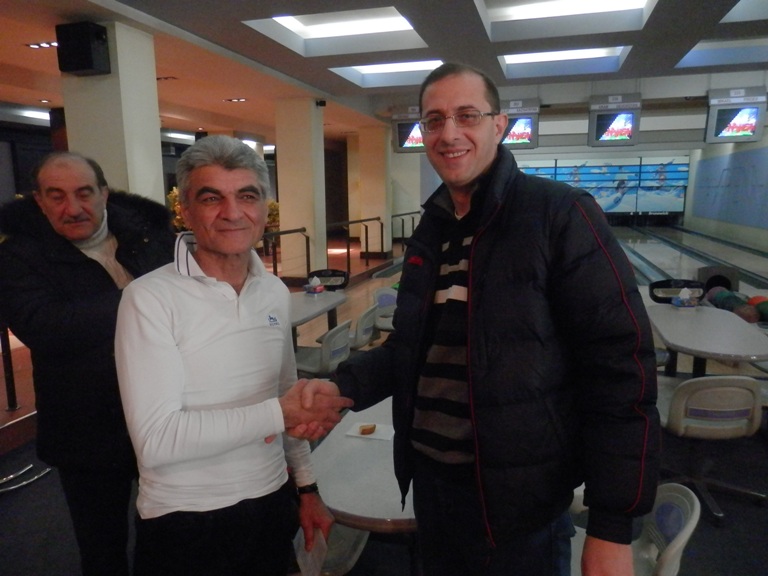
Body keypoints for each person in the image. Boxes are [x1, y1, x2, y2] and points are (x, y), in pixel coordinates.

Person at [333, 63, 660, 575]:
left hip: (518, 503)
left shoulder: (559, 214)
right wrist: (341, 387)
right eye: (434, 120)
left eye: (467, 115)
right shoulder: (433, 229)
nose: (449, 133)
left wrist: (612, 526)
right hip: (432, 488)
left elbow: (620, 372)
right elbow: (410, 349)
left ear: (499, 125)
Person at [114, 134, 353, 576]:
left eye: (247, 196)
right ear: (185, 210)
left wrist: (306, 487)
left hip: (271, 499)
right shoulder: (148, 298)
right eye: (212, 198)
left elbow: (285, 394)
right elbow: (157, 440)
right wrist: (279, 413)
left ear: (264, 208)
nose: (232, 212)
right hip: (186, 518)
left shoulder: (274, 290)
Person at [0, 151, 177, 576]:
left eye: (83, 193)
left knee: (170, 533)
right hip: (86, 427)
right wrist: (143, 298)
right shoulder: (19, 256)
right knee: (102, 547)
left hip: (165, 414)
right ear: (39, 201)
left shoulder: (149, 237)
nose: (73, 208)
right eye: (56, 196)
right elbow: (46, 326)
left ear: (104, 194)